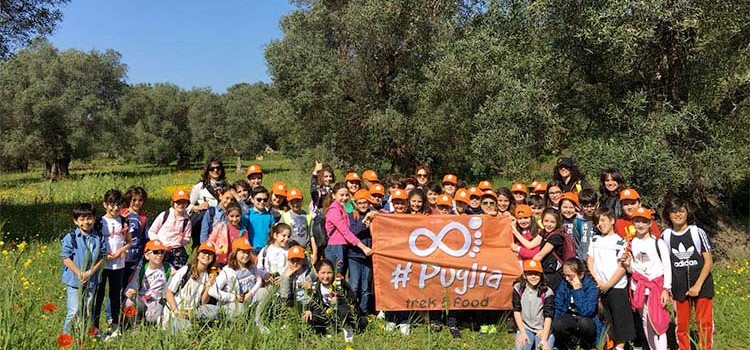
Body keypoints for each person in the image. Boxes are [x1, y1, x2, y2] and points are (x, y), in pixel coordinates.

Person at [662, 197, 714, 350]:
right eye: (674, 212)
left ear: (687, 213)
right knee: (681, 326)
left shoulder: (698, 232)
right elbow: (666, 264)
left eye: (682, 211)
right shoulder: (666, 236)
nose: (678, 215)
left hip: (702, 285)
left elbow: (709, 261)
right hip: (679, 287)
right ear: (668, 215)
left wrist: (697, 285)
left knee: (704, 323)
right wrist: (668, 288)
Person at [622, 207, 672, 350]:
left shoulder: (658, 243)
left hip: (656, 288)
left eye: (644, 221)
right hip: (639, 288)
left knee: (657, 321)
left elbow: (667, 267)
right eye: (637, 221)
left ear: (650, 223)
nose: (641, 225)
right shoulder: (631, 243)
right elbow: (633, 269)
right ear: (633, 223)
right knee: (645, 321)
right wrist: (627, 265)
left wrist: (666, 289)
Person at [587, 207, 635, 350]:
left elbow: (622, 268)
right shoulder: (595, 240)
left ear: (612, 220)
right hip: (599, 286)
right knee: (607, 320)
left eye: (603, 220)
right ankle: (610, 345)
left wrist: (609, 284)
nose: (600, 224)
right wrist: (598, 280)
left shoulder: (621, 242)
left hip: (616, 287)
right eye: (597, 222)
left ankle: (620, 347)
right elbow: (590, 260)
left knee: (620, 320)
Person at [61, 203, 106, 335]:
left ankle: (87, 335)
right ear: (76, 221)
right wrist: (80, 273)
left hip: (92, 280)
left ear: (94, 218)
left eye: (89, 218)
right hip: (75, 281)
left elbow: (103, 256)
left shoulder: (99, 237)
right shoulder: (71, 237)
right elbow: (65, 257)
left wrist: (90, 272)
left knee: (87, 309)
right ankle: (67, 336)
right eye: (81, 219)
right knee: (74, 310)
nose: (86, 222)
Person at [92, 189, 131, 339]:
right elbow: (94, 241)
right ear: (105, 205)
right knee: (98, 295)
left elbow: (129, 241)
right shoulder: (99, 222)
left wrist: (121, 250)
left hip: (118, 264)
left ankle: (115, 325)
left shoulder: (123, 221)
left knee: (115, 295)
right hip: (101, 265)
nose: (115, 208)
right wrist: (103, 255)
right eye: (111, 205)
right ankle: (95, 327)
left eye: (118, 205)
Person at [208, 238, 267, 329]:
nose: (246, 255)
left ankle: (258, 321)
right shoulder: (227, 272)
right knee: (240, 309)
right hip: (231, 305)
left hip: (247, 300)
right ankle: (233, 326)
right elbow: (212, 291)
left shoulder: (251, 266)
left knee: (264, 292)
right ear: (235, 253)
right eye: (242, 252)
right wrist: (234, 297)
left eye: (248, 252)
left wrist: (251, 293)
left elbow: (259, 280)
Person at [161, 242, 217, 332]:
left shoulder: (208, 275)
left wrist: (208, 287)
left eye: (210, 254)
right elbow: (169, 293)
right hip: (176, 310)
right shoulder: (185, 270)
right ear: (198, 255)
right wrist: (176, 311)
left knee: (215, 310)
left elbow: (203, 302)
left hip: (192, 313)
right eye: (204, 252)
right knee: (188, 329)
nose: (207, 256)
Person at [324, 183, 374, 276]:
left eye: (347, 195)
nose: (345, 198)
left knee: (340, 278)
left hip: (342, 246)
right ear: (334, 196)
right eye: (341, 195)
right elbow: (346, 232)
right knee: (335, 278)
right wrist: (363, 247)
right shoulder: (334, 211)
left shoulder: (342, 209)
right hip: (336, 247)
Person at [303, 259, 357, 342]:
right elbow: (312, 300)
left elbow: (352, 297)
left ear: (334, 273)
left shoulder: (339, 283)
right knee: (314, 315)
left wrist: (339, 299)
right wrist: (308, 309)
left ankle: (348, 328)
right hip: (326, 311)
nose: (326, 276)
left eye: (329, 273)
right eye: (323, 273)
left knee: (343, 311)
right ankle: (324, 331)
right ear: (317, 274)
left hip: (340, 310)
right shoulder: (315, 286)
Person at [551, 258, 598, 350]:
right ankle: (570, 343)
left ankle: (585, 344)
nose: (567, 278)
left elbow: (586, 312)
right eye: (564, 275)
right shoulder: (564, 284)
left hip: (586, 319)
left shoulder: (591, 287)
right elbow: (558, 305)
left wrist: (578, 290)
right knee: (558, 323)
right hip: (569, 317)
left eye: (570, 276)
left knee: (584, 324)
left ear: (581, 274)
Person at [123, 240, 172, 325]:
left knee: (152, 318)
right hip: (142, 299)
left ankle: (146, 319)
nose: (159, 255)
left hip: (157, 300)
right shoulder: (142, 269)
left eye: (162, 252)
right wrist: (129, 292)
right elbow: (131, 287)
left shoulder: (168, 268)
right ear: (147, 255)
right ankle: (135, 324)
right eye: (155, 252)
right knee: (129, 302)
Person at [513, 260, 555, 350]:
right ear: (524, 275)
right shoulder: (518, 288)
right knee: (521, 348)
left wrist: (544, 339)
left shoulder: (547, 292)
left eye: (536, 274)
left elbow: (548, 316)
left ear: (541, 275)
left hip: (542, 328)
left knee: (542, 347)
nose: (533, 276)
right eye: (530, 273)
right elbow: (516, 310)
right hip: (525, 327)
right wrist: (522, 332)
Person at [348, 190, 377, 316]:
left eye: (365, 203)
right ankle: (352, 312)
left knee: (365, 288)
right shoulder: (352, 216)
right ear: (355, 204)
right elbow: (352, 232)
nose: (362, 205)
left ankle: (363, 313)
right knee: (354, 286)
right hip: (354, 255)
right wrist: (364, 220)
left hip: (368, 256)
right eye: (359, 203)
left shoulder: (375, 216)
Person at [148, 189, 192, 269]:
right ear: (173, 203)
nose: (181, 205)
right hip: (160, 249)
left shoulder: (186, 221)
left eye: (184, 203)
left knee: (175, 274)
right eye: (178, 202)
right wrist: (158, 243)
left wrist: (182, 240)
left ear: (187, 204)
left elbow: (188, 238)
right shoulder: (165, 215)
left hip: (176, 251)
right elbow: (152, 231)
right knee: (159, 271)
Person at [188, 158, 226, 248]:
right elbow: (187, 206)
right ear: (207, 171)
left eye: (218, 168)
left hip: (222, 224)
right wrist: (198, 207)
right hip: (203, 225)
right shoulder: (200, 187)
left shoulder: (226, 186)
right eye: (212, 169)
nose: (215, 170)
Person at [121, 186, 148, 291]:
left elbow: (145, 237)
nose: (137, 203)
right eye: (134, 200)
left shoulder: (143, 218)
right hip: (121, 256)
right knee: (117, 286)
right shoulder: (122, 213)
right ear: (129, 200)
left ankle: (126, 307)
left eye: (140, 200)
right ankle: (114, 307)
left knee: (130, 286)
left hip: (136, 257)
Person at [281, 188, 318, 264]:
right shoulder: (285, 217)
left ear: (302, 201)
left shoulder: (308, 217)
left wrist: (314, 253)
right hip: (290, 252)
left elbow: (311, 236)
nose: (295, 204)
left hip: (305, 252)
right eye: (292, 202)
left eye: (297, 201)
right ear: (288, 203)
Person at [532, 209, 566, 290]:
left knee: (549, 297)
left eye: (552, 222)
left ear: (557, 223)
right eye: (546, 221)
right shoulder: (544, 232)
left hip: (553, 273)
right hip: (546, 270)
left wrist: (528, 269)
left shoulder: (556, 236)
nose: (548, 224)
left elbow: (540, 255)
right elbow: (530, 245)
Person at [280, 245, 316, 313]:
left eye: (298, 260)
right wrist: (286, 278)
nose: (295, 263)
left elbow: (316, 289)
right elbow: (284, 296)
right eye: (292, 260)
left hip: (307, 304)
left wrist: (310, 286)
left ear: (303, 260)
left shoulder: (310, 272)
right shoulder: (286, 273)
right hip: (292, 304)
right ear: (288, 261)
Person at [243, 186, 275, 251]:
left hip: (266, 249)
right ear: (252, 200)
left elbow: (272, 233)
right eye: (259, 199)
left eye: (265, 200)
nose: (262, 202)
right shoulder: (248, 214)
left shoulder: (270, 216)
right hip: (251, 249)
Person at [575, 189, 598, 262]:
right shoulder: (577, 221)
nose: (589, 209)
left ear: (597, 205)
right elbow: (576, 241)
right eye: (585, 207)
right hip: (582, 259)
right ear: (580, 206)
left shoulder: (600, 220)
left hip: (597, 259)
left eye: (592, 206)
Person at [559, 192, 581, 258]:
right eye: (565, 207)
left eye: (571, 207)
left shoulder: (579, 220)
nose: (568, 210)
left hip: (577, 253)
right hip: (563, 253)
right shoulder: (558, 221)